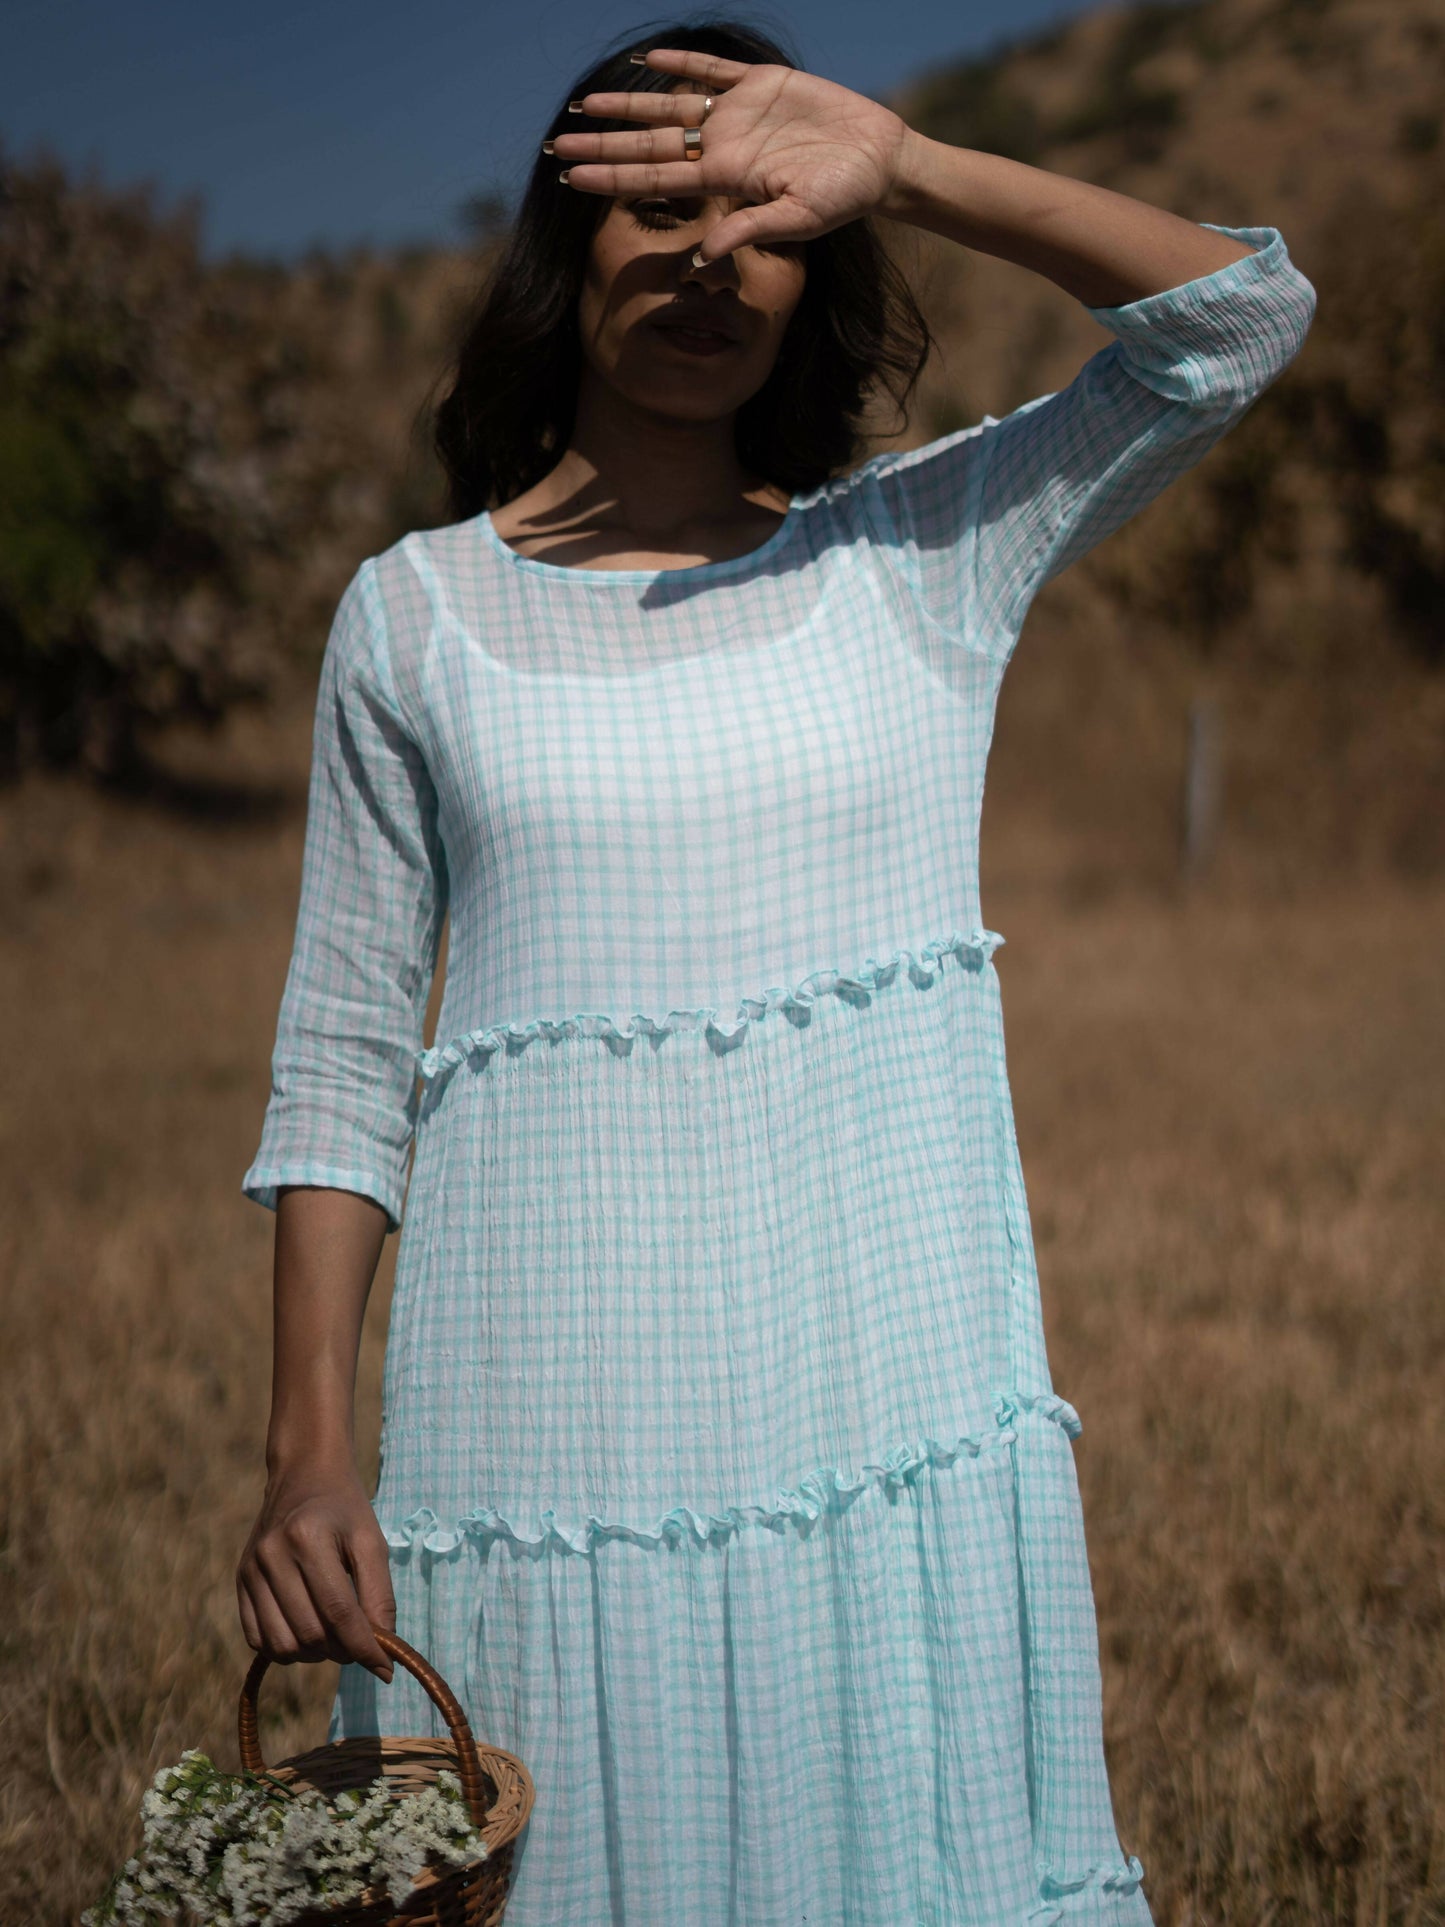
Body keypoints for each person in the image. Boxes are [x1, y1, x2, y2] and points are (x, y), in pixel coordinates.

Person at [237, 19, 1315, 1924]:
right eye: (657, 202)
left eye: (762, 208)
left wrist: (901, 162)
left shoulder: (915, 556)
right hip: (549, 1437)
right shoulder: (411, 620)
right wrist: (309, 1454)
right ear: (556, 259)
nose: (709, 251)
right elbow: (338, 1063)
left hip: (873, 1418)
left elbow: (1235, 320)